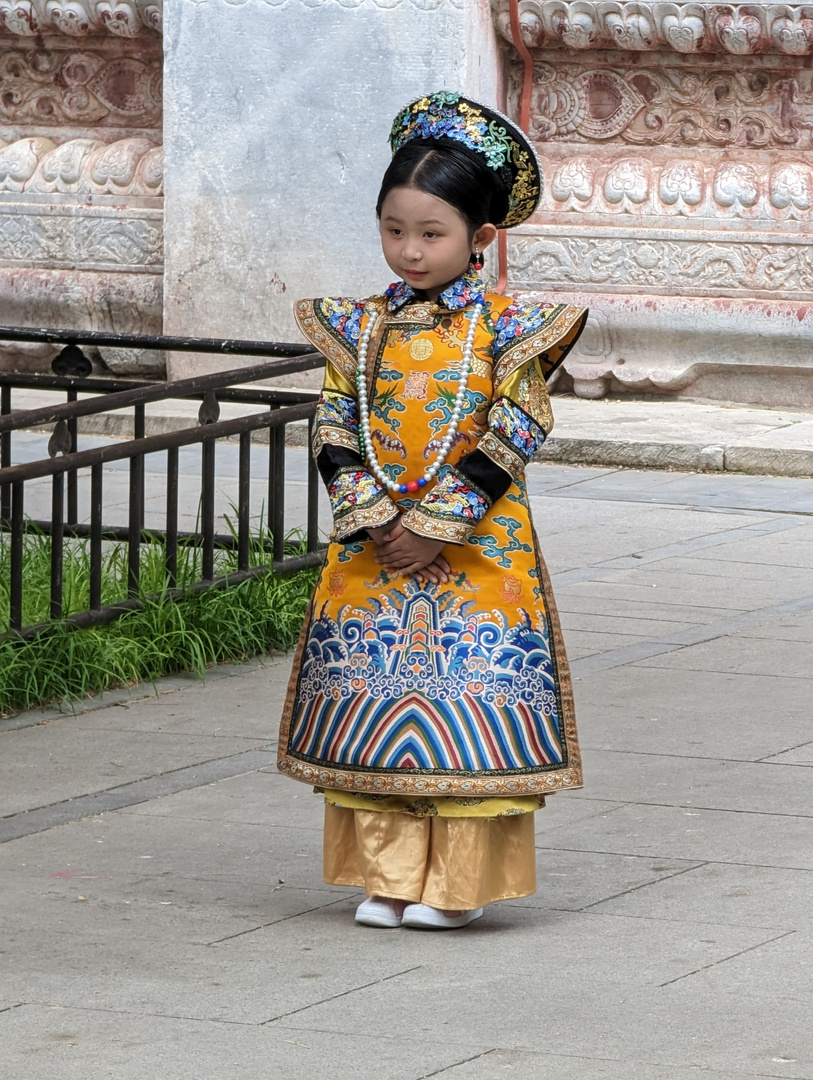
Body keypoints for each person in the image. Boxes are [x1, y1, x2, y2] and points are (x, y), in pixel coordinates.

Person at [278, 91, 588, 930]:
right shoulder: (359, 326)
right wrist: (376, 519)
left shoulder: (512, 329)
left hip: (479, 553)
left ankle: (455, 888)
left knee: (469, 700)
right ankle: (386, 877)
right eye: (393, 230)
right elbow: (332, 421)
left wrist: (433, 526)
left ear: (482, 239)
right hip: (373, 549)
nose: (409, 251)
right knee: (374, 704)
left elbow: (516, 425)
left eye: (431, 233)